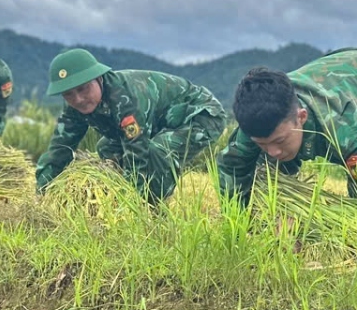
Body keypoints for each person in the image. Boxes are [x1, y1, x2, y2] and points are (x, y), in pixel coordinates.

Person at [216, 43, 357, 222]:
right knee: (263, 169)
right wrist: (239, 228)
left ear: (301, 117)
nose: (274, 151)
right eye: (262, 143)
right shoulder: (257, 121)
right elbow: (231, 167)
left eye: (279, 140)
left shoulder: (348, 130)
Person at [35, 48, 226, 203]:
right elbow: (59, 149)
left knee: (157, 151)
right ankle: (127, 198)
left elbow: (137, 154)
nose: (78, 99)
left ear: (99, 79)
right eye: (68, 94)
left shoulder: (125, 99)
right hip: (160, 123)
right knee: (106, 147)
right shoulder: (75, 108)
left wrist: (131, 204)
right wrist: (41, 192)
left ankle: (155, 210)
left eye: (83, 88)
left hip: (201, 116)